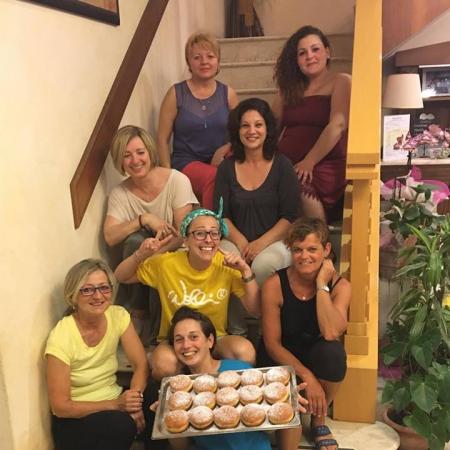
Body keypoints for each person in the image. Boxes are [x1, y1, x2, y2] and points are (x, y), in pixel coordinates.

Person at [114, 206, 260, 380]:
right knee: (163, 364)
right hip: (176, 340)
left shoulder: (227, 265)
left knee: (245, 352)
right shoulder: (166, 264)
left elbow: (255, 310)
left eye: (214, 234)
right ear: (186, 240)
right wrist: (140, 254)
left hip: (214, 338)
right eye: (200, 234)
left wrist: (245, 271)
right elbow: (121, 276)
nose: (208, 240)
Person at [150, 306, 308, 450]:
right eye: (179, 339)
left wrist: (289, 402)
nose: (186, 345)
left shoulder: (240, 371)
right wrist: (165, 418)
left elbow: (272, 417)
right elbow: (181, 447)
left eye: (193, 337)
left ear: (210, 341)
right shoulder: (180, 393)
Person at [257, 218, 351, 450]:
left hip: (315, 356)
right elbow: (272, 344)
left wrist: (321, 285)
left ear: (326, 250)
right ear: (290, 250)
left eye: (312, 249)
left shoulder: (340, 286)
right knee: (289, 431)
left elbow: (331, 332)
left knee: (333, 354)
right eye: (297, 250)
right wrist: (307, 377)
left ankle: (319, 419)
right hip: (280, 358)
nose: (304, 256)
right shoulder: (274, 284)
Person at [104, 125, 198, 341]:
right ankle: (138, 311)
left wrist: (152, 255)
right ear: (119, 160)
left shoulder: (176, 180)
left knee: (157, 262)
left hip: (175, 252)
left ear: (150, 152)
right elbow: (110, 236)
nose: (135, 160)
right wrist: (143, 219)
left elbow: (183, 233)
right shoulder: (120, 192)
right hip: (143, 257)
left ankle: (156, 332)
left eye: (140, 152)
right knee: (134, 241)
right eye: (126, 155)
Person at [45, 259, 149, 450]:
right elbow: (60, 407)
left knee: (158, 402)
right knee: (121, 425)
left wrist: (134, 401)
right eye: (87, 290)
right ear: (73, 295)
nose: (98, 296)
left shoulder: (117, 316)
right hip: (75, 418)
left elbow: (141, 364)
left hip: (114, 399)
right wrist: (117, 405)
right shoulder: (61, 336)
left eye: (104, 287)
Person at [214, 97, 299, 286]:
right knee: (225, 263)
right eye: (245, 125)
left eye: (258, 125)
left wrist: (260, 244)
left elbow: (290, 217)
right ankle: (233, 317)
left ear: (267, 129)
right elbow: (221, 215)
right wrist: (242, 242)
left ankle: (264, 315)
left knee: (263, 265)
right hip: (235, 240)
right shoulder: (226, 168)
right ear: (237, 131)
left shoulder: (283, 165)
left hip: (275, 241)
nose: (252, 131)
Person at [273, 25, 351, 222]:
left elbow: (338, 125)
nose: (309, 56)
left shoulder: (340, 81)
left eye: (315, 49)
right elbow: (269, 125)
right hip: (289, 162)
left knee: (296, 182)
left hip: (324, 162)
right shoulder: (288, 90)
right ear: (296, 60)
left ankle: (321, 244)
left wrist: (310, 160)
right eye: (302, 53)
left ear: (327, 52)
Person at [157, 31, 239, 209]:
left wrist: (224, 149)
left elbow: (240, 132)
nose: (204, 62)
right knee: (215, 177)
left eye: (210, 56)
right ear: (189, 62)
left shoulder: (229, 94)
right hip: (186, 161)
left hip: (221, 159)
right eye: (197, 57)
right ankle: (211, 228)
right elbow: (162, 139)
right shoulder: (175, 93)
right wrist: (168, 175)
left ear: (218, 61)